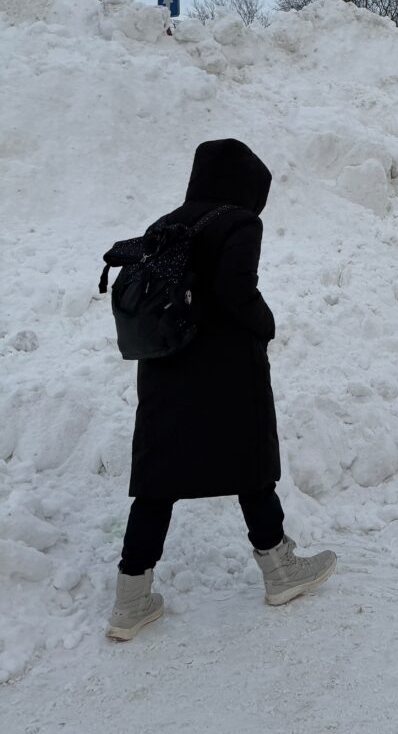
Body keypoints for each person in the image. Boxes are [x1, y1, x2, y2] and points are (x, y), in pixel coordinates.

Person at [107, 139, 336, 641]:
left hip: (165, 365)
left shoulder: (165, 223)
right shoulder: (239, 222)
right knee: (250, 465)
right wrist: (264, 324)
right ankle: (280, 571)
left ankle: (130, 600)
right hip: (227, 367)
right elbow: (237, 288)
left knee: (157, 480)